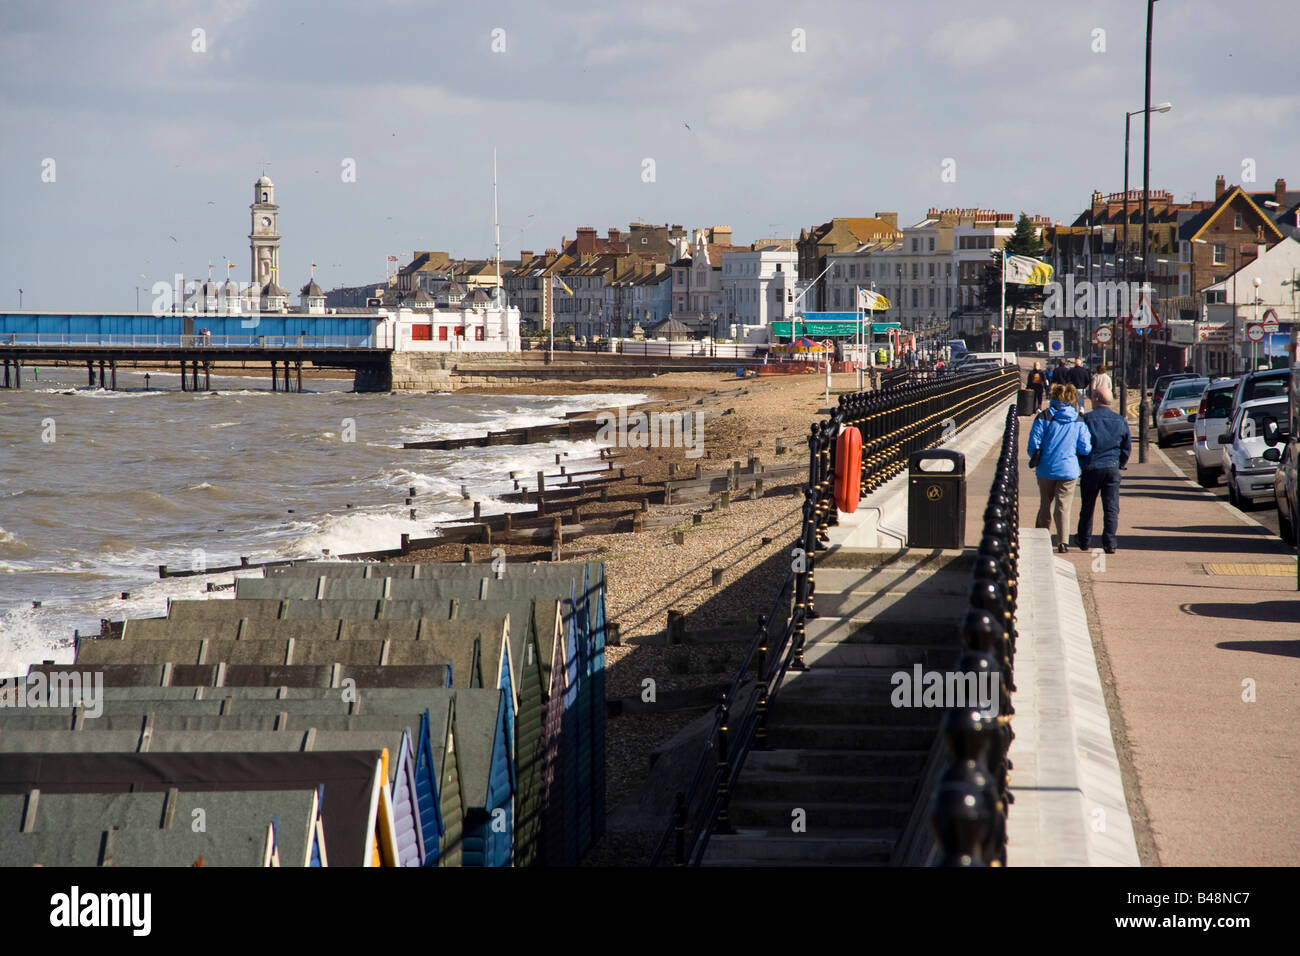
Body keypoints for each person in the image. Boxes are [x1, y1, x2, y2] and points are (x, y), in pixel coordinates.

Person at [1027, 383, 1092, 553]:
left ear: (1053, 398)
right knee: (1063, 506)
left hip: (1046, 469)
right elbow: (1085, 448)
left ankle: (1041, 538)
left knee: (1045, 505)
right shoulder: (1078, 419)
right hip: (1069, 470)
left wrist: (1036, 454)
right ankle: (1063, 542)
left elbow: (1033, 445)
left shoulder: (1044, 417)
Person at [1077, 380, 1131, 554]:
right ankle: (1110, 543)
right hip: (1112, 467)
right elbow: (1126, 447)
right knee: (1111, 507)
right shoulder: (1120, 420)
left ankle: (1084, 540)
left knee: (1087, 506)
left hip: (1091, 467)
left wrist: (1082, 462)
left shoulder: (1087, 419)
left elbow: (1080, 444)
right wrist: (1119, 463)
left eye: (1092, 396)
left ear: (1097, 399)